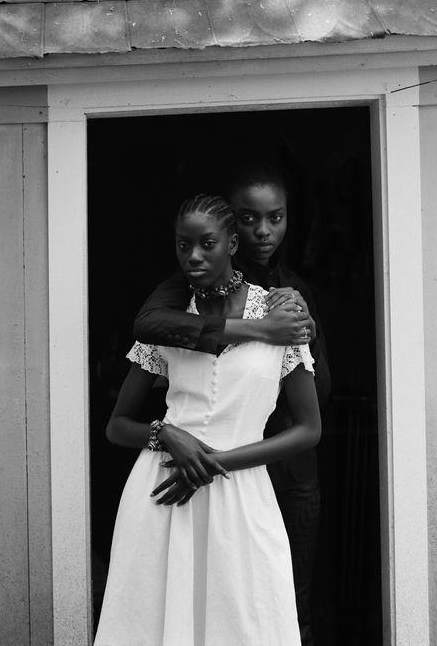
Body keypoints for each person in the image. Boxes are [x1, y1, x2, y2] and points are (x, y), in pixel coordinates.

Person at [94, 194, 321, 646]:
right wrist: (166, 433)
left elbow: (309, 429)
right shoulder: (168, 321)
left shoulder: (279, 314)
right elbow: (117, 426)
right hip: (162, 489)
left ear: (232, 244)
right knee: (153, 623)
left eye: (207, 244)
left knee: (248, 622)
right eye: (183, 245)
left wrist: (215, 464)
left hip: (244, 493)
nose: (193, 256)